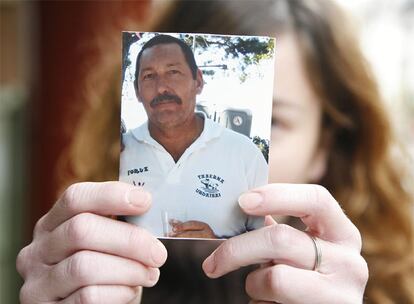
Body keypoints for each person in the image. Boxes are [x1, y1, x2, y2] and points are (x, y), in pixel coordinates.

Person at [16, 0, 413, 303]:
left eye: (273, 121)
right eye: (151, 77)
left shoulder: (391, 284)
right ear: (135, 93)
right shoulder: (81, 270)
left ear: (323, 150)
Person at [120, 34, 267, 238]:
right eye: (149, 76)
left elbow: (269, 241)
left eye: (173, 72)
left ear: (198, 81)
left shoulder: (244, 153)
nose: (161, 87)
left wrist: (217, 246)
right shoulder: (119, 153)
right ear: (137, 90)